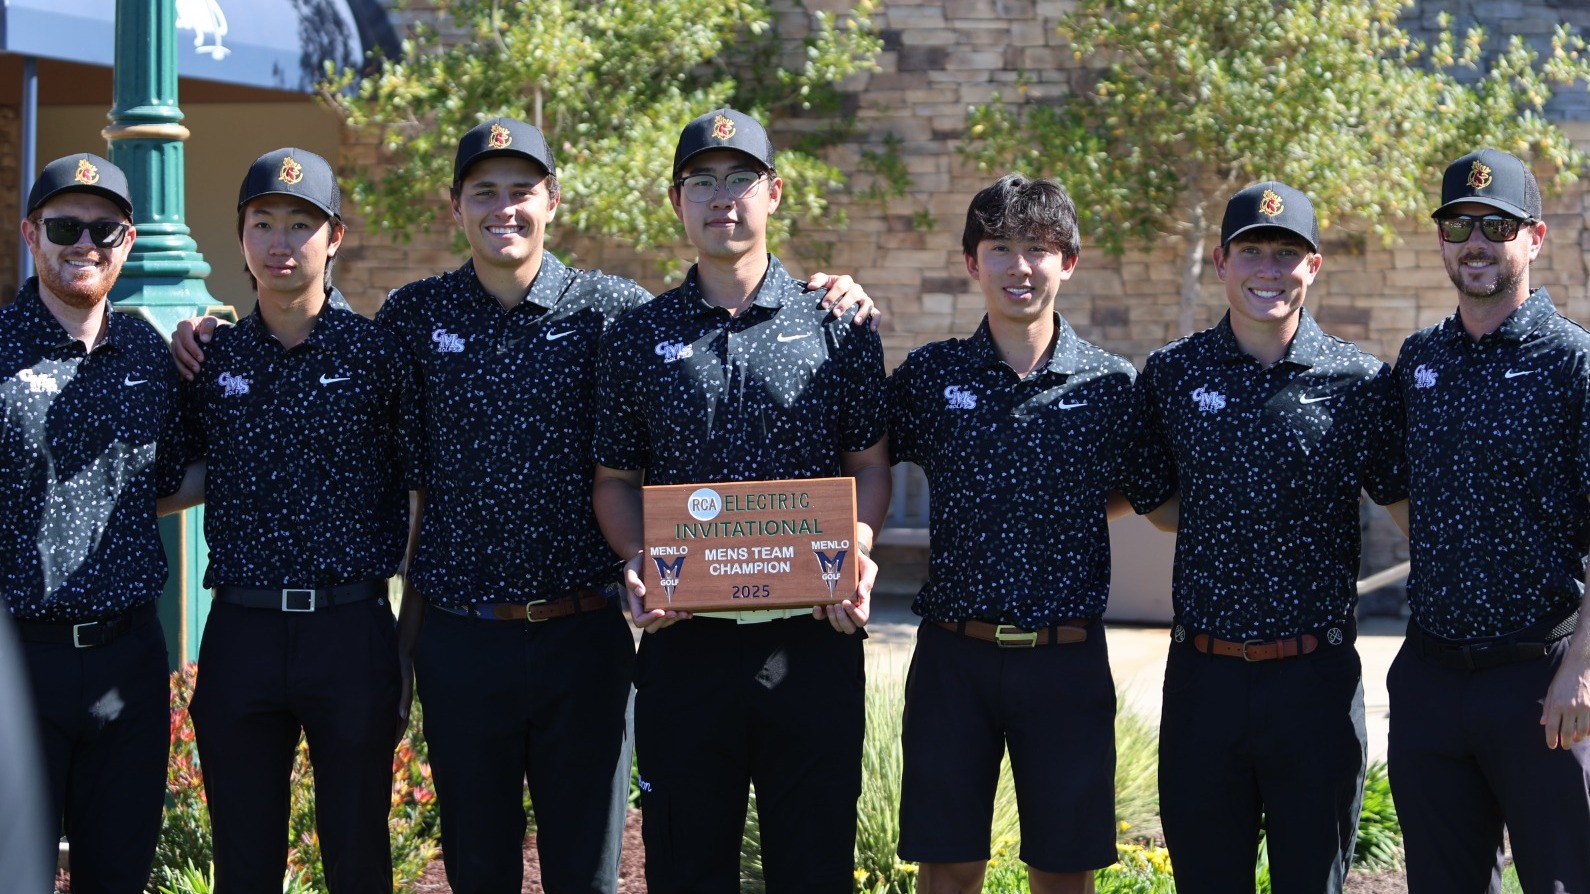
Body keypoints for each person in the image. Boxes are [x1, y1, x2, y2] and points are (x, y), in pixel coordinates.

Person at [171, 116, 878, 894]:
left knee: (587, 871)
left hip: (583, 635)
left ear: (553, 202)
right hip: (463, 640)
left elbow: (648, 444)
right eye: (484, 193)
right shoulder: (412, 319)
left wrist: (833, 286)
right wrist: (209, 335)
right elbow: (374, 446)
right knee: (478, 868)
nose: (503, 208)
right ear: (456, 208)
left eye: (521, 191)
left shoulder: (616, 313)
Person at [591, 107, 890, 894]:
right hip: (686, 645)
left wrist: (853, 548)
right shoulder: (637, 336)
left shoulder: (838, 322)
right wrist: (636, 559)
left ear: (774, 192)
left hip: (811, 644)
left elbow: (869, 463)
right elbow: (616, 479)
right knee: (688, 868)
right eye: (702, 181)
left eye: (741, 179)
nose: (723, 197)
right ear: (676, 200)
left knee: (814, 867)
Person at [886, 173, 1155, 894]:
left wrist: (1061, 511)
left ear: (1068, 261)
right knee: (947, 863)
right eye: (999, 247)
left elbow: (1138, 487)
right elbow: (860, 457)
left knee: (1065, 869)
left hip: (1064, 659)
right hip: (953, 654)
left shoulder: (1109, 384)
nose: (1019, 267)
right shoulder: (930, 376)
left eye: (1038, 248)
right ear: (972, 262)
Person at [161, 148, 420, 893]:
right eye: (263, 223)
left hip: (351, 631)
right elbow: (176, 476)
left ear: (334, 237)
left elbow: (419, 498)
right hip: (242, 631)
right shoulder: (212, 358)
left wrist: (403, 650)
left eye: (300, 225)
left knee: (358, 856)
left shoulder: (379, 354)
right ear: (241, 236)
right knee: (243, 863)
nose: (281, 242)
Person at [1136, 181, 1404, 893]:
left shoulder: (1360, 381)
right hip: (1204, 677)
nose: (1268, 269)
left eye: (1288, 254)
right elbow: (1162, 505)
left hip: (1314, 682)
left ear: (1313, 267)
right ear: (1221, 261)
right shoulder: (1171, 375)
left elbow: (1411, 512)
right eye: (1252, 250)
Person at [1389, 148, 1590, 894]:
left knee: (1563, 880)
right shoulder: (1420, 360)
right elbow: (1405, 492)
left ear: (1533, 239)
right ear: (1442, 240)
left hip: (1541, 683)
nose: (1476, 241)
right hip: (1431, 677)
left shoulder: (1573, 363)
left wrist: (1582, 669)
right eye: (1460, 225)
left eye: (1496, 226)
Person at [1, 153, 183, 893]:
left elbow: (172, 478)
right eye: (65, 227)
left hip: (128, 661)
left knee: (119, 873)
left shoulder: (151, 352)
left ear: (128, 242)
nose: (85, 245)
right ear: (30, 235)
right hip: (19, 661)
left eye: (103, 229)